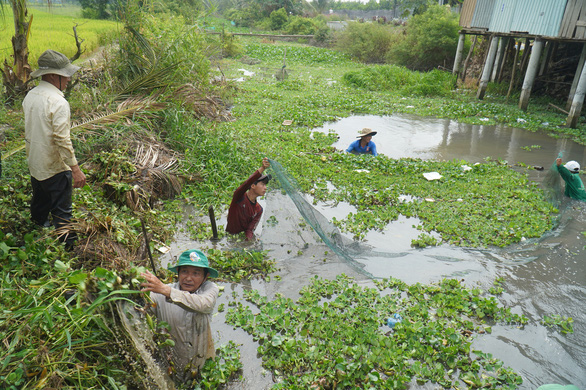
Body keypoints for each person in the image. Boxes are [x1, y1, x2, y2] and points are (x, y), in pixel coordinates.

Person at [23, 49, 86, 246]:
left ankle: (38, 229)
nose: (68, 79)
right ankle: (68, 248)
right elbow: (62, 140)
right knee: (63, 212)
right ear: (52, 75)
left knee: (40, 202)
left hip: (36, 163)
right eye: (65, 75)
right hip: (55, 167)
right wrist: (75, 169)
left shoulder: (31, 95)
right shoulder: (58, 102)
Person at [140, 249, 219, 381]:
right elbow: (142, 305)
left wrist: (167, 291)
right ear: (178, 273)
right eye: (184, 271)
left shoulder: (209, 289)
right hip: (171, 368)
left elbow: (204, 304)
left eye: (196, 273)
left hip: (201, 365)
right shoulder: (161, 293)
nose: (188, 278)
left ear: (205, 277)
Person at [225, 158, 271, 240]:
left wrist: (248, 243)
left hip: (239, 239)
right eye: (263, 184)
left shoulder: (259, 209)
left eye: (266, 185)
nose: (265, 188)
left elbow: (250, 230)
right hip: (229, 236)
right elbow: (247, 183)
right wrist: (262, 168)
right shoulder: (239, 197)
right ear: (253, 186)